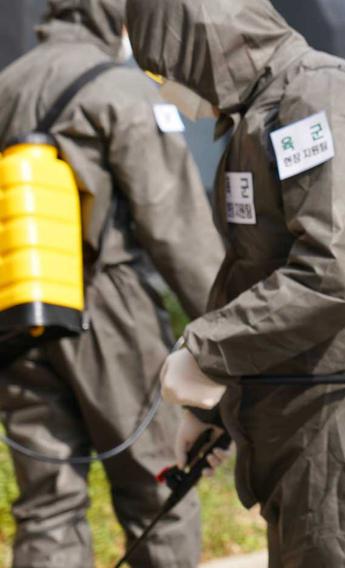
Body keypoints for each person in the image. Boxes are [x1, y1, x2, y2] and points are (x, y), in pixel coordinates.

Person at [125, 0, 345, 566]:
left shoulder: (325, 104)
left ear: (199, 42)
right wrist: (216, 409)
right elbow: (253, 273)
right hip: (308, 432)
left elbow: (334, 274)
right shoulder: (261, 114)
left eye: (165, 70)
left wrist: (207, 350)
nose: (167, 91)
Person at [0, 0, 224, 566]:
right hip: (108, 309)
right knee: (158, 488)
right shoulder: (121, 92)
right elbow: (176, 229)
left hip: (17, 308)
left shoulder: (6, 86)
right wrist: (228, 329)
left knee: (46, 505)